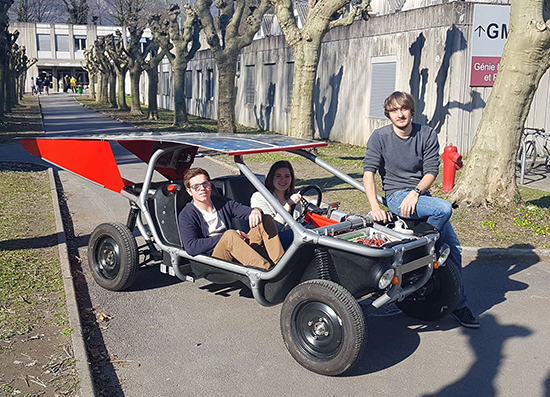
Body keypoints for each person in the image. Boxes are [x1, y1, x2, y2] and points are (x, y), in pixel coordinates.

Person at [362, 91, 480, 329]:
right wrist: (375, 206)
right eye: (394, 110)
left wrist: (416, 192)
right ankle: (426, 249)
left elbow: (431, 172)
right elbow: (368, 173)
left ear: (411, 110)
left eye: (403, 109)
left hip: (420, 196)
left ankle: (459, 304)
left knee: (454, 248)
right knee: (444, 208)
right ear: (389, 114)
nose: (400, 114)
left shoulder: (426, 134)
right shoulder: (379, 137)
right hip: (397, 197)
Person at [178, 167, 284, 270]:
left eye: (205, 184)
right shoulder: (187, 214)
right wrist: (224, 236)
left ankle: (281, 265)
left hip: (236, 246)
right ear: (189, 191)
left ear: (210, 185)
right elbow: (191, 247)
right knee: (229, 235)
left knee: (265, 219)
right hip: (214, 257)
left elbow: (243, 210)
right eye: (196, 186)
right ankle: (267, 271)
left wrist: (255, 210)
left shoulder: (222, 203)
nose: (202, 189)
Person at [250, 160, 302, 248]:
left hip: (295, 243)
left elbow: (300, 224)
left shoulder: (294, 198)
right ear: (272, 178)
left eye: (287, 176)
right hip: (271, 243)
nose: (283, 180)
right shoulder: (259, 197)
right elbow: (272, 229)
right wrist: (288, 205)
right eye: (278, 176)